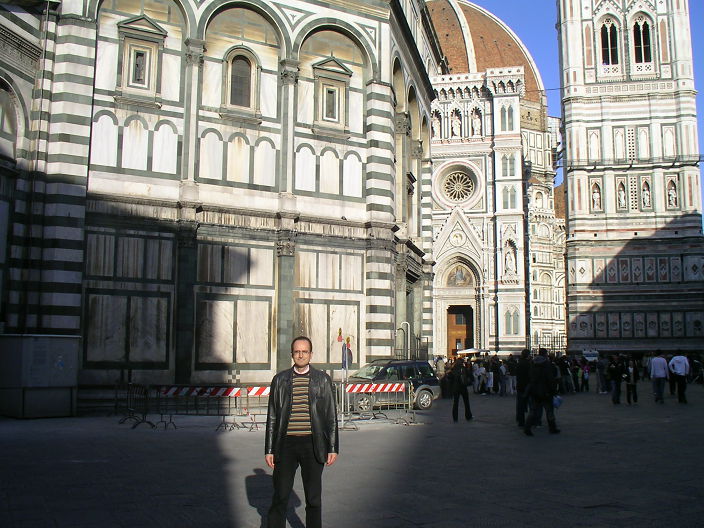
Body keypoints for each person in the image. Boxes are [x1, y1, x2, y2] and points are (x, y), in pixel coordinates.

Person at [265, 336, 339, 528]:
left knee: (313, 499)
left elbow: (331, 416)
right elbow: (272, 416)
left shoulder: (322, 380)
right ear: (292, 354)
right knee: (280, 496)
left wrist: (332, 447)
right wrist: (269, 449)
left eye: (304, 351)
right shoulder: (280, 380)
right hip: (286, 444)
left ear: (311, 354)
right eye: (297, 351)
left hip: (312, 444)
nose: (300, 355)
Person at [524, 348, 560, 436]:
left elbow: (530, 376)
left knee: (533, 410)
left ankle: (527, 428)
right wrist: (554, 390)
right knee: (549, 410)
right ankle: (552, 428)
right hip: (546, 391)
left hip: (535, 390)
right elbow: (550, 378)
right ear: (545, 354)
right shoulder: (547, 364)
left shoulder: (532, 363)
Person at [515, 349, 531, 428]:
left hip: (520, 386)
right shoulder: (528, 364)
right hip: (527, 386)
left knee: (520, 404)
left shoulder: (519, 363)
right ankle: (533, 421)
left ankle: (520, 420)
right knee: (531, 404)